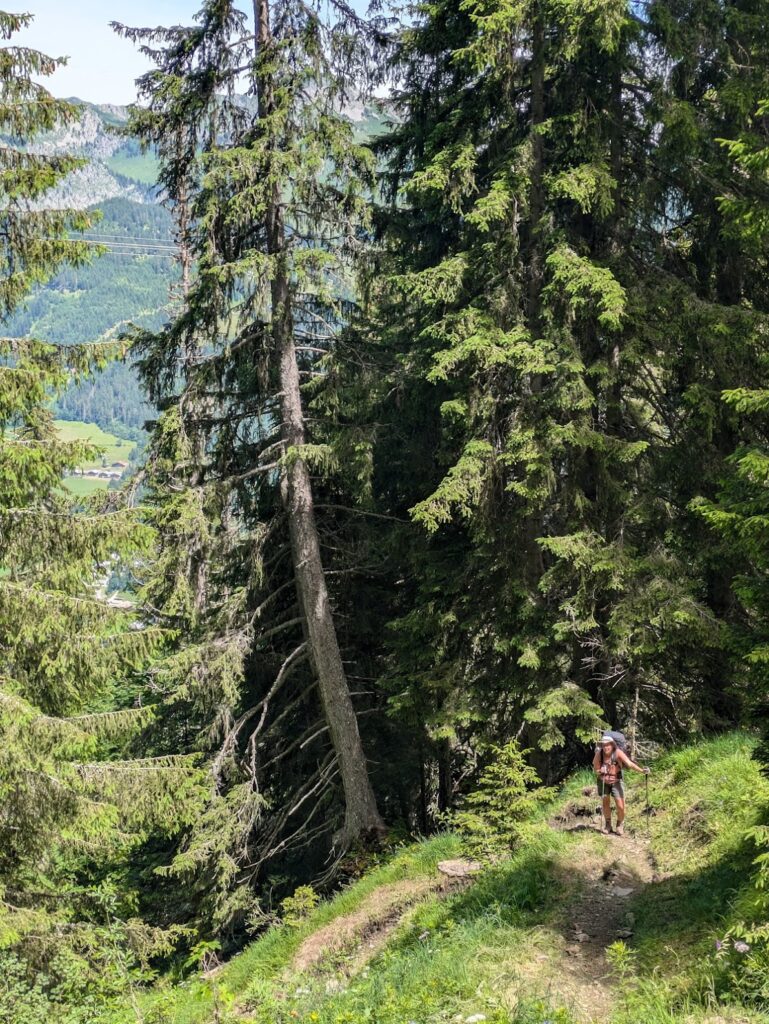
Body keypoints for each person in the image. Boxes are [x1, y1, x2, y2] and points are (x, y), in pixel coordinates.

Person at [592, 734, 650, 836]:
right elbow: (595, 769)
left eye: (608, 745)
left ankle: (619, 824)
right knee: (605, 803)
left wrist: (642, 771)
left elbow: (629, 764)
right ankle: (608, 825)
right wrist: (600, 771)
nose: (606, 747)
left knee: (620, 805)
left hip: (616, 781)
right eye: (604, 745)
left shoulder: (617, 753)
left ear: (612, 745)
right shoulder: (599, 754)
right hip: (603, 780)